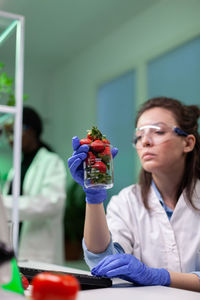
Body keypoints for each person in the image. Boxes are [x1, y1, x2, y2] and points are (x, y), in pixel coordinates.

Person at [68, 97, 200, 292]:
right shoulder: (126, 202)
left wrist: (159, 277)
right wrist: (93, 196)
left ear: (188, 143)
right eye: (139, 136)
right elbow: (105, 261)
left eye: (158, 131)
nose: (145, 141)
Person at [2, 106, 67, 264]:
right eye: (8, 134)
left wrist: (4, 203)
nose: (11, 139)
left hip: (40, 254)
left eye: (15, 131)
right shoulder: (16, 168)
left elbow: (52, 203)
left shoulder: (51, 162)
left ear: (31, 131)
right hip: (12, 252)